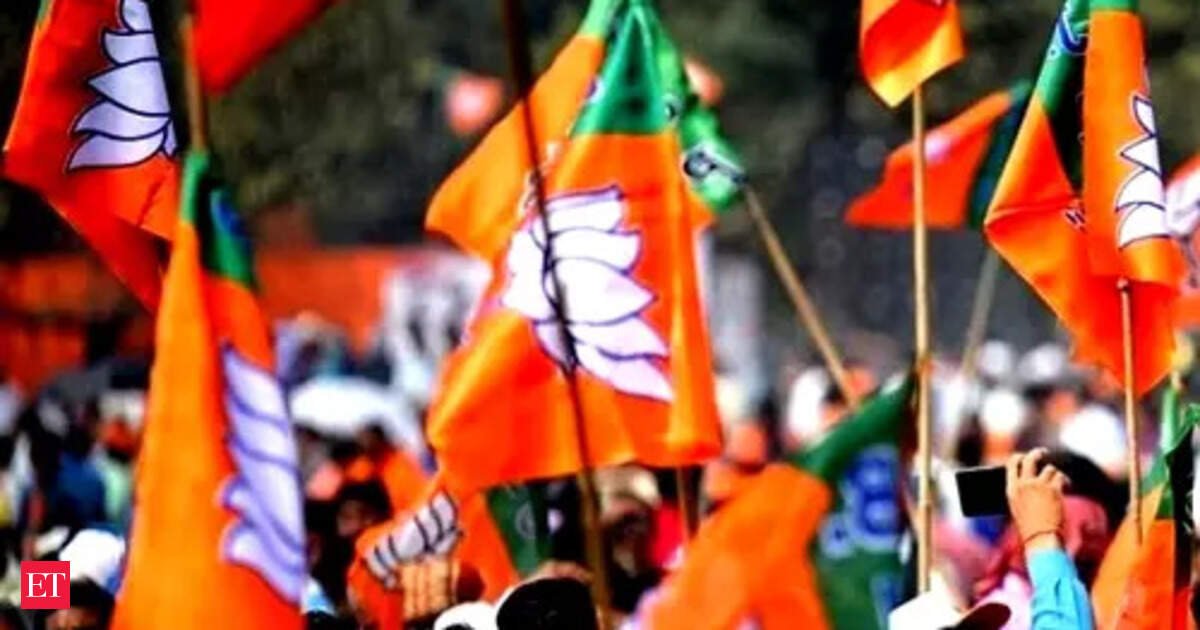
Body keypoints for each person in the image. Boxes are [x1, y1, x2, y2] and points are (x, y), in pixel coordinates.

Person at [982, 449, 1096, 630]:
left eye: (1092, 535)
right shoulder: (1007, 610)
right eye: (1066, 531)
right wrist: (1043, 540)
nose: (1077, 545)